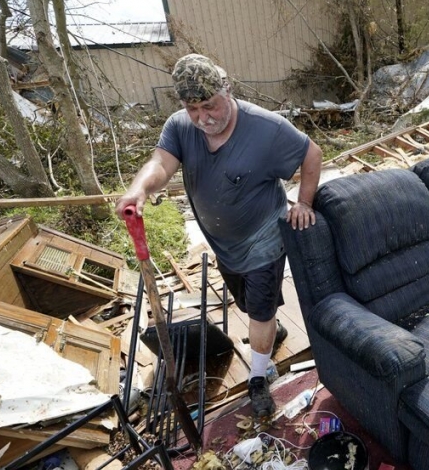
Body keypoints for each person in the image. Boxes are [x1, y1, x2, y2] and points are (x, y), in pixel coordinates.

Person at [115, 54, 322, 418]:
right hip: (224, 245)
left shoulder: (265, 128)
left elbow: (312, 154)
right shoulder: (180, 127)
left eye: (209, 106)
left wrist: (304, 202)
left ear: (227, 91)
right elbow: (162, 163)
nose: (203, 117)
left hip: (263, 238)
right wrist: (139, 189)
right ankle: (272, 329)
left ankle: (259, 378)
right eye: (192, 108)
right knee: (249, 305)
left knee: (258, 309)